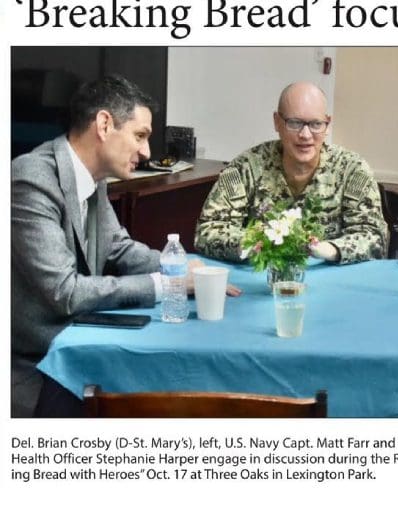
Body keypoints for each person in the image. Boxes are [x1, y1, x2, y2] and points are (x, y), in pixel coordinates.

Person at [11, 75, 234, 417]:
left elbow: (117, 247)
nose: (146, 152)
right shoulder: (32, 179)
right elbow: (64, 291)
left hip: (76, 342)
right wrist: (168, 284)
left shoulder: (93, 177)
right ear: (104, 124)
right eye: (140, 136)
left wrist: (178, 265)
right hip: (33, 365)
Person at [195, 81, 387, 264]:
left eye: (316, 124)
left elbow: (374, 236)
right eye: (294, 123)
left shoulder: (352, 170)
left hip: (332, 281)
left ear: (327, 124)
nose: (305, 135)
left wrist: (332, 249)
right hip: (262, 280)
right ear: (277, 122)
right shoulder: (246, 167)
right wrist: (254, 242)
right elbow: (207, 230)